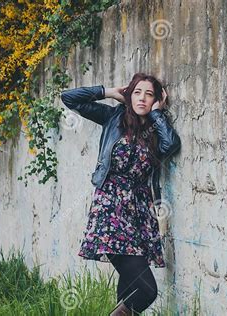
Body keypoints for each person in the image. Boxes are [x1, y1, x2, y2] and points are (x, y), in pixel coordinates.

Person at [60, 73, 181, 315]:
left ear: (157, 100)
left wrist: (157, 114)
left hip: (139, 211)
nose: (142, 99)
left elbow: (171, 145)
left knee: (131, 290)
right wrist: (108, 91)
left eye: (149, 94)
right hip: (110, 209)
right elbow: (69, 98)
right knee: (147, 290)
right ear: (129, 95)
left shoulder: (157, 127)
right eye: (137, 92)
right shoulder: (113, 117)